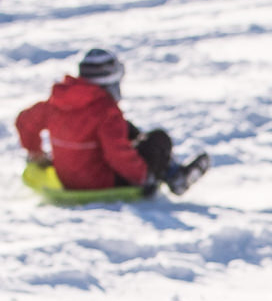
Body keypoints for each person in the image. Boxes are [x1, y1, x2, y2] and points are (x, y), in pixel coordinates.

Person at [14, 48, 210, 195]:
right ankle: (173, 175)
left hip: (66, 179)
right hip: (99, 183)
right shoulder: (106, 110)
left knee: (127, 128)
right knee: (158, 141)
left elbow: (24, 121)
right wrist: (142, 177)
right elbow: (117, 154)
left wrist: (35, 152)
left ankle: (173, 173)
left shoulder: (57, 103)